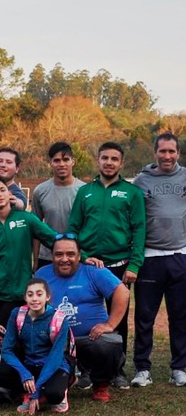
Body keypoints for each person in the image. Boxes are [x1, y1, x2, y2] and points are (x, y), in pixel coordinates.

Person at [66, 141, 145, 389]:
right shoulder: (85, 192)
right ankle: (86, 370)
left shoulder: (132, 193)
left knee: (117, 319)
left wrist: (134, 264)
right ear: (98, 161)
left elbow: (139, 230)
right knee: (85, 316)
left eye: (114, 158)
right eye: (104, 158)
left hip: (119, 266)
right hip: (89, 265)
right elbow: (73, 228)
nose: (109, 162)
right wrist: (83, 255)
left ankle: (117, 370)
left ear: (121, 163)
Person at [35, 236, 128, 403]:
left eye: (70, 254)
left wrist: (110, 324)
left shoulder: (93, 270)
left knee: (108, 344)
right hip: (57, 342)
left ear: (79, 256)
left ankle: (101, 384)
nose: (64, 259)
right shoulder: (42, 274)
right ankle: (66, 378)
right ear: (52, 256)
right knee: (51, 393)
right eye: (59, 254)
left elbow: (123, 292)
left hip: (90, 338)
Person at [130, 132, 186, 388]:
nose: (167, 156)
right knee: (144, 316)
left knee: (180, 316)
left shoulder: (185, 176)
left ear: (178, 153)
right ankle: (142, 368)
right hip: (150, 257)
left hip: (179, 256)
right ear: (155, 153)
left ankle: (179, 367)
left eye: (171, 151)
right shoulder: (142, 180)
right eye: (162, 151)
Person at [0, 175, 56, 326]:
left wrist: (82, 256)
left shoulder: (26, 219)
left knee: (17, 338)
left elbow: (55, 240)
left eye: (2, 190)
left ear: (10, 194)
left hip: (21, 293)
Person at [0, 279, 72, 414]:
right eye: (30, 295)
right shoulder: (17, 314)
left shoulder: (59, 319)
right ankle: (28, 390)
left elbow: (55, 357)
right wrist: (24, 374)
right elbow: (7, 350)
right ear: (25, 297)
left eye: (39, 294)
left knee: (54, 395)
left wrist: (36, 390)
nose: (34, 299)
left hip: (53, 366)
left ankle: (51, 388)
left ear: (47, 297)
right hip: (29, 365)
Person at [31, 143, 85, 269]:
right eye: (57, 160)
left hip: (76, 256)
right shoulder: (40, 191)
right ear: (50, 163)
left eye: (66, 160)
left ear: (73, 162)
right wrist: (36, 260)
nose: (61, 164)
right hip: (47, 257)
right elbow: (36, 228)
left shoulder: (84, 190)